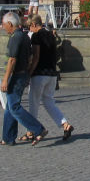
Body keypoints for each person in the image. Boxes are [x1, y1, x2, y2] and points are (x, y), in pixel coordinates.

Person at [0, 12, 46, 145]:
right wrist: (28, 73)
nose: (3, 27)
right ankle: (8, 137)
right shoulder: (25, 36)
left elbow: (12, 59)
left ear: (10, 24)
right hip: (23, 72)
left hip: (17, 74)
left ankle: (38, 129)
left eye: (4, 25)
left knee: (13, 107)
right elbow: (31, 57)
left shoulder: (15, 37)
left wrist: (5, 79)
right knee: (10, 106)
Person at [26, 14, 74, 142]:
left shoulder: (36, 36)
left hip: (40, 73)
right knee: (49, 102)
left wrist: (29, 72)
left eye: (30, 27)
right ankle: (65, 125)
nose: (30, 30)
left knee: (33, 102)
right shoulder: (51, 36)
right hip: (52, 74)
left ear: (34, 25)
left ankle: (32, 131)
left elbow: (35, 57)